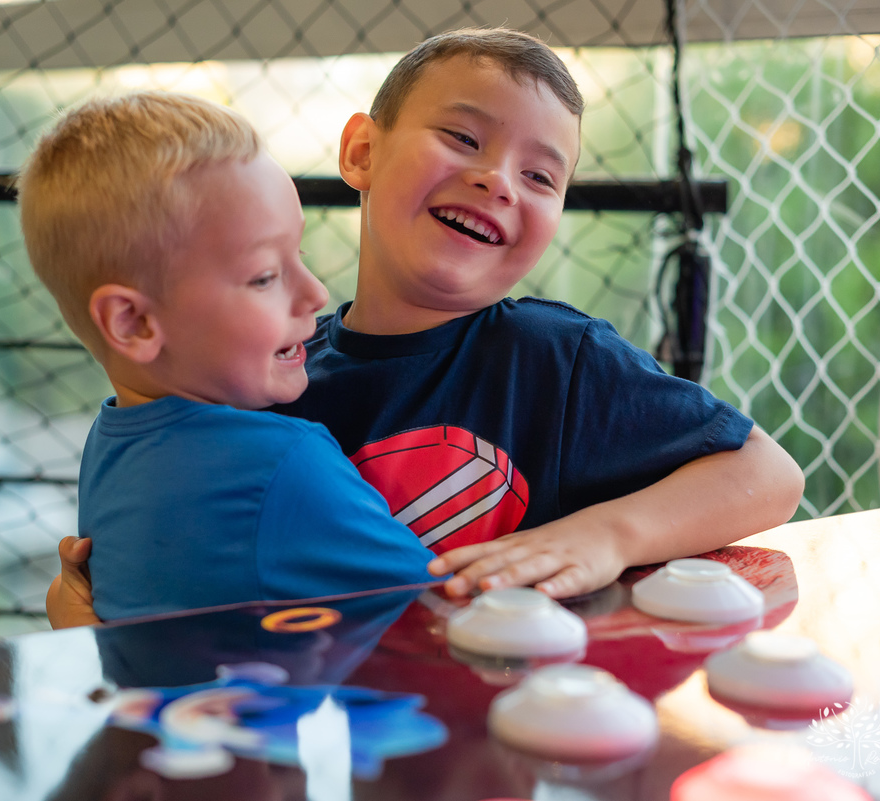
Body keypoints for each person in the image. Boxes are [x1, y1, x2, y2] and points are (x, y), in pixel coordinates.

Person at [47, 28, 804, 628]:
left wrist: (608, 535)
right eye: (464, 138)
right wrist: (104, 616)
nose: (497, 180)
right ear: (362, 152)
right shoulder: (268, 374)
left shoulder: (554, 358)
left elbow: (768, 476)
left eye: (540, 176)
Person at [17, 91, 436, 621]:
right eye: (264, 276)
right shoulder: (282, 463)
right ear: (132, 322)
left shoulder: (110, 442)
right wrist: (548, 543)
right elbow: (448, 616)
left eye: (299, 254)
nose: (315, 294)